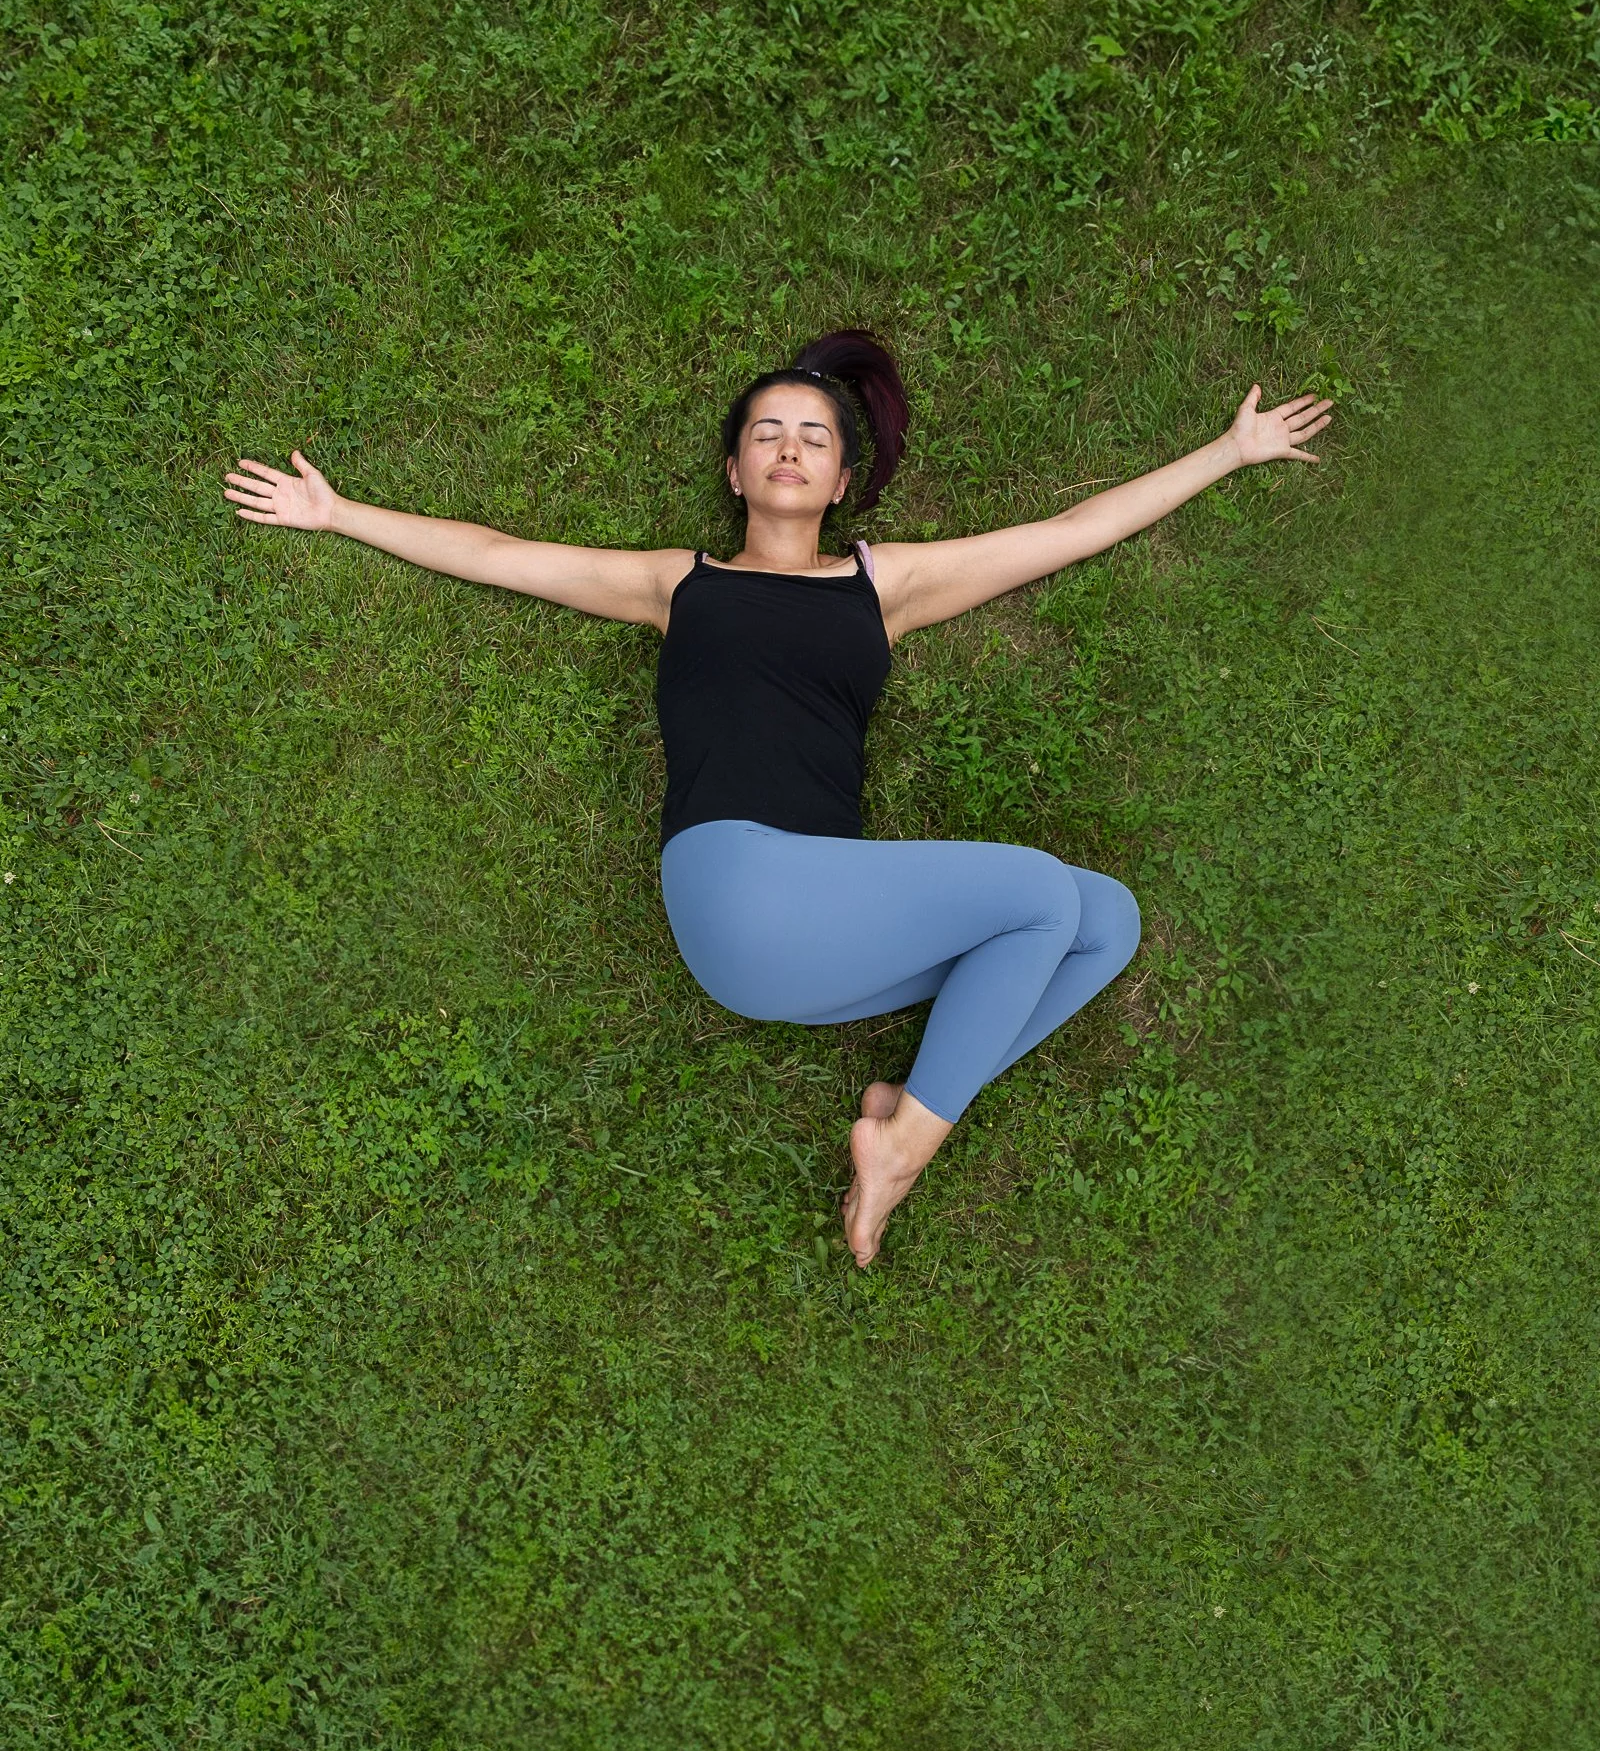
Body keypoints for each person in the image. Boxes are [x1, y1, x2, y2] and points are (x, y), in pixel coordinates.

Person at [224, 331, 1331, 1265]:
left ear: (842, 479)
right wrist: (341, 513)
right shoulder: (678, 582)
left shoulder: (882, 585)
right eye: (768, 433)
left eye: (814, 435)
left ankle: (903, 1112)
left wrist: (1227, 454)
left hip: (820, 944)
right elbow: (503, 552)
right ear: (735, 471)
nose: (790, 447)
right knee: (1042, 896)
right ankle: (899, 1147)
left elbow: (1066, 533)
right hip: (730, 882)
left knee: (1107, 921)